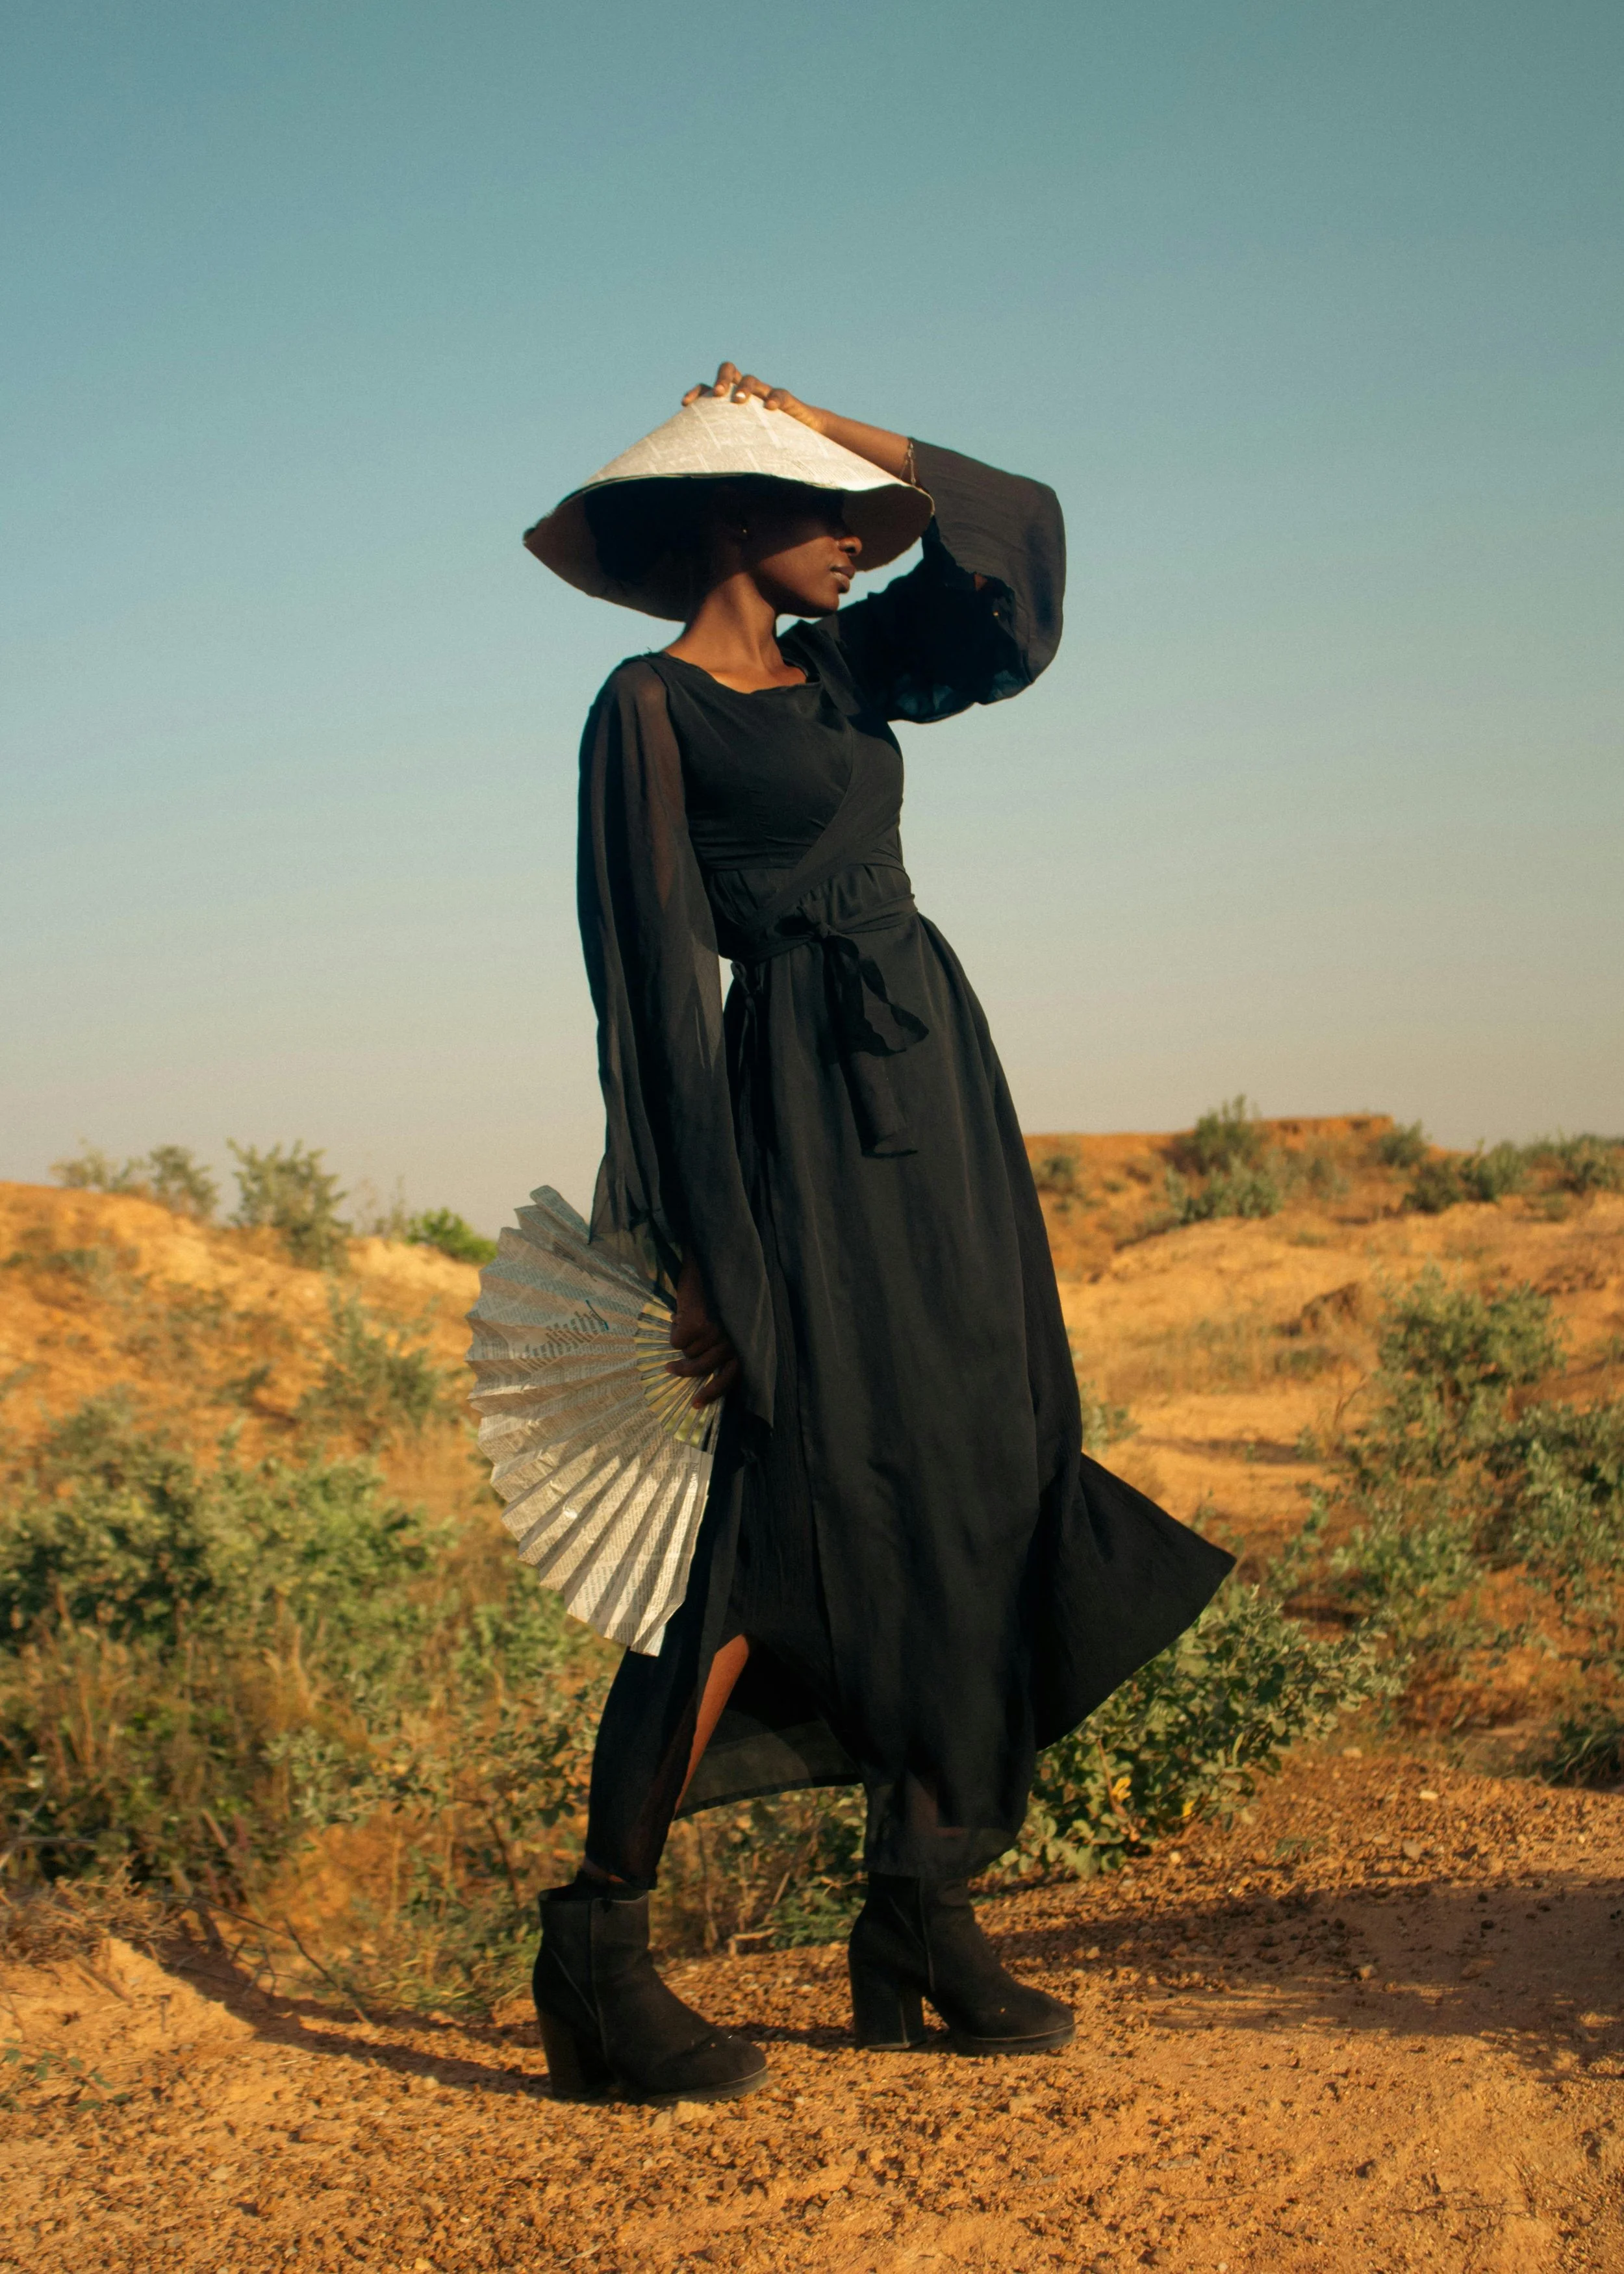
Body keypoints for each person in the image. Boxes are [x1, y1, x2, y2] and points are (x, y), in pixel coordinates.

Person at [524, 363, 1233, 2104]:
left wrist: (847, 423)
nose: (855, 540)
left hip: (934, 1117)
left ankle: (918, 1902)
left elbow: (1019, 553)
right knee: (775, 1519)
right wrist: (697, 1243)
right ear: (727, 521)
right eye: (821, 511)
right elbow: (647, 996)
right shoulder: (647, 710)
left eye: (856, 516)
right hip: (790, 1139)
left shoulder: (852, 671)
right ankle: (598, 1948)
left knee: (990, 1467)